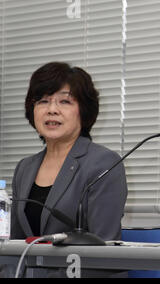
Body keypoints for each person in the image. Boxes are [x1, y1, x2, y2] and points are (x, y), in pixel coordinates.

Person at [11, 62, 128, 241]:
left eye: (65, 101)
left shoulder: (104, 163)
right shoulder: (24, 168)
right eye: (43, 101)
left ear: (83, 110)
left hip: (82, 268)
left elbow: (104, 243)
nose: (51, 110)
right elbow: (13, 244)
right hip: (27, 269)